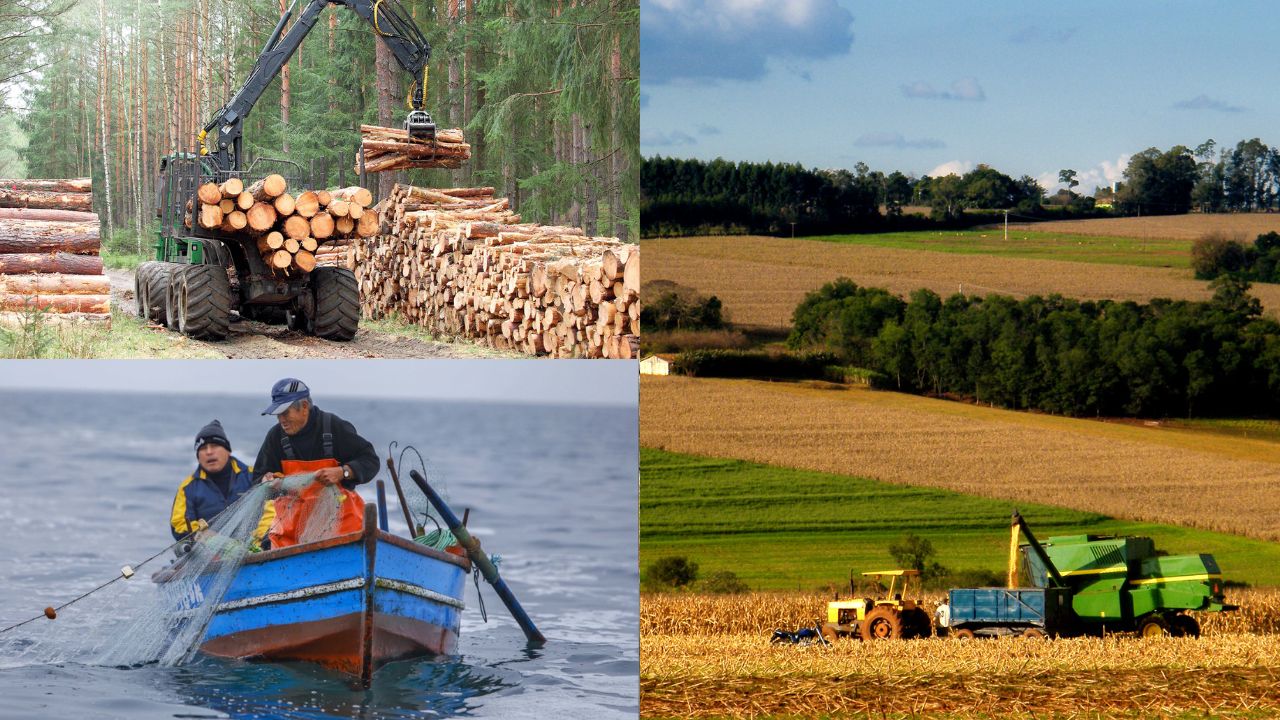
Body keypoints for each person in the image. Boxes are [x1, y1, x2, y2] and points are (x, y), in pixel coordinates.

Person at [254, 378, 379, 548]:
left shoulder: (333, 426)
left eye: (285, 412)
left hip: (341, 528)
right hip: (292, 533)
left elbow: (370, 460)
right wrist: (266, 481)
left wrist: (343, 472)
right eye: (278, 414)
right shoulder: (276, 437)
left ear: (304, 407)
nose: (281, 419)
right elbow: (258, 478)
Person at [170, 419, 275, 548]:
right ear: (198, 456)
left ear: (228, 450)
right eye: (203, 448)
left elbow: (271, 510)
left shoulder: (254, 476)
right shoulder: (188, 488)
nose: (209, 452)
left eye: (214, 446)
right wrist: (205, 535)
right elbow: (178, 525)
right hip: (207, 553)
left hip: (255, 548)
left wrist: (256, 542)